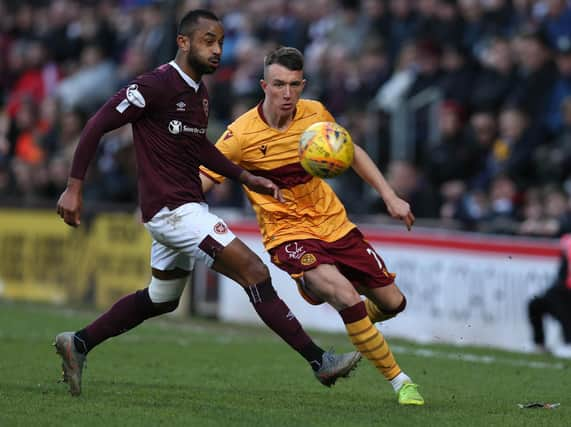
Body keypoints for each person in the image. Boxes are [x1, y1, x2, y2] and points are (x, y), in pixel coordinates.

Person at [54, 10, 361, 397]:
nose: (217, 50)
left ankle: (77, 343)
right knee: (254, 272)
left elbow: (199, 146)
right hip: (172, 211)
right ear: (183, 42)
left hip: (182, 207)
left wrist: (246, 177)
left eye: (219, 42)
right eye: (208, 41)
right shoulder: (155, 85)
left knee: (161, 298)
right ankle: (320, 362)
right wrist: (74, 186)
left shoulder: (198, 93)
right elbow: (97, 123)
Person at [200, 46, 425, 405]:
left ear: (302, 84)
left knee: (393, 302)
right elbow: (202, 180)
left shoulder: (315, 114)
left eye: (293, 85)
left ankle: (351, 316)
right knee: (346, 294)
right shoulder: (241, 135)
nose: (287, 94)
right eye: (278, 85)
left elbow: (351, 152)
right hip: (287, 233)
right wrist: (167, 205)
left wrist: (390, 196)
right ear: (263, 85)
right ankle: (402, 382)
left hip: (334, 224)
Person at [528, 234, 571, 358]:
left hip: (564, 295)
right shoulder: (567, 243)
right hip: (561, 292)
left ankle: (569, 343)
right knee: (535, 304)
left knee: (561, 302)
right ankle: (539, 344)